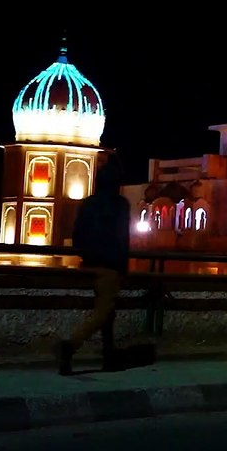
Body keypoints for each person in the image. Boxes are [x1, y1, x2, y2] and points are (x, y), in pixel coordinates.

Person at [57, 159, 132, 375]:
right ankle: (71, 345)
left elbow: (77, 234)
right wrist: (123, 268)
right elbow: (122, 239)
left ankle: (109, 356)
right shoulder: (120, 205)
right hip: (109, 266)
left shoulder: (88, 203)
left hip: (88, 264)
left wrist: (85, 254)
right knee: (103, 311)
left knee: (108, 311)